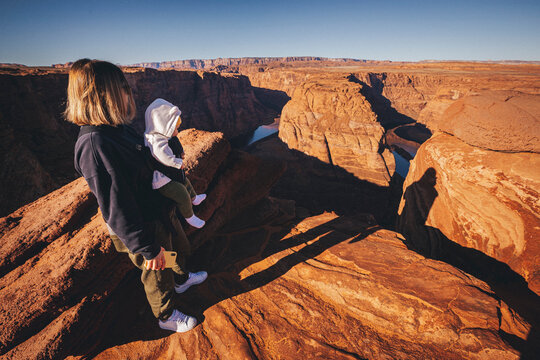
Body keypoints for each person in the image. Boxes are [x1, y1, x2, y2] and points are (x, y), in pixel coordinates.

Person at [65, 59, 207, 333]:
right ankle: (166, 315)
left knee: (174, 252)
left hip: (153, 213)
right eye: (122, 87)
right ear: (101, 95)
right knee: (157, 271)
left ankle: (181, 280)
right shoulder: (95, 144)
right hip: (140, 227)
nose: (128, 92)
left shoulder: (114, 130)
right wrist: (145, 247)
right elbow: (115, 205)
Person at [144, 98, 206, 229]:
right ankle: (190, 217)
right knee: (182, 193)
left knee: (185, 181)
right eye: (174, 128)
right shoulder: (156, 141)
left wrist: (181, 153)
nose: (177, 131)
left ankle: (195, 198)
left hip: (169, 174)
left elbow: (174, 144)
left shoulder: (160, 136)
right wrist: (178, 163)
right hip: (163, 180)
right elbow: (163, 156)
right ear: (163, 125)